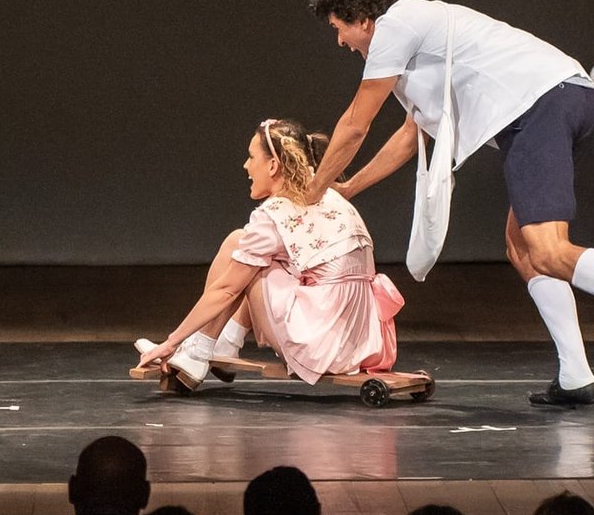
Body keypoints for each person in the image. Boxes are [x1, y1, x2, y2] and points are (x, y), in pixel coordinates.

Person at [305, 0, 594, 408]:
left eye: (338, 27)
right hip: (560, 99)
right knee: (522, 248)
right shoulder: (415, 38)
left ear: (363, 18)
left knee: (548, 250)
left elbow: (355, 124)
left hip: (541, 105)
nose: (341, 41)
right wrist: (348, 188)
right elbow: (410, 135)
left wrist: (311, 191)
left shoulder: (396, 24)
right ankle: (576, 376)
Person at [136, 118, 402, 387]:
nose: (246, 166)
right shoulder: (332, 196)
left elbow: (226, 289)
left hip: (320, 345)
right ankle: (224, 342)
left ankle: (199, 350)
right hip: (360, 342)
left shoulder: (275, 214)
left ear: (273, 165)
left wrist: (170, 343)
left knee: (239, 245)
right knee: (251, 251)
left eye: (252, 157)